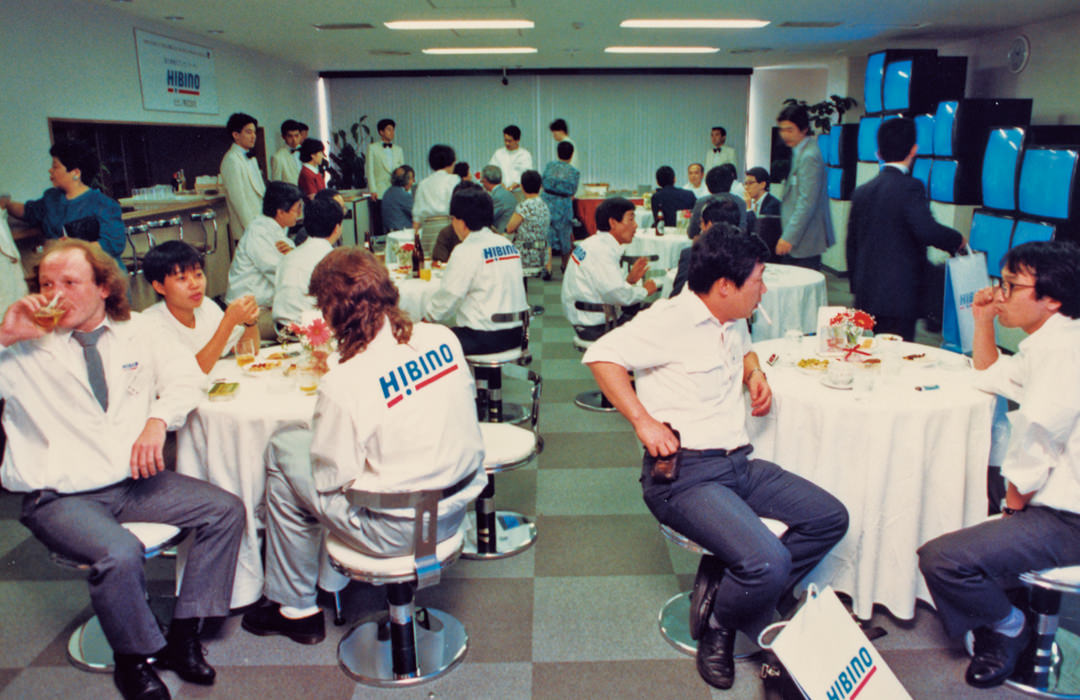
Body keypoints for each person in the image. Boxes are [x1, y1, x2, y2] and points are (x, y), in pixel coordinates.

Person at [583, 227, 848, 691]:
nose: (763, 289)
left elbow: (743, 351)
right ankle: (720, 627)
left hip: (738, 465)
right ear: (725, 285)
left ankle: (737, 588)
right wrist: (643, 421)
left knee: (829, 518)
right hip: (684, 478)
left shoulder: (732, 316)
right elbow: (601, 357)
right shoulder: (668, 320)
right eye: (758, 280)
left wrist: (755, 373)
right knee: (768, 562)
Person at [0, 238, 245, 700]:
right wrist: (4, 336)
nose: (54, 295)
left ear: (104, 287)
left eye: (70, 283)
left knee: (225, 510)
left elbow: (186, 379)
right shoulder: (22, 349)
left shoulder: (139, 333)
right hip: (58, 496)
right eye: (46, 284)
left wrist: (157, 421)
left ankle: (184, 636)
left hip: (129, 483)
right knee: (120, 552)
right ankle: (132, 660)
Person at [241, 247, 486, 645]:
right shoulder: (443, 338)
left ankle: (296, 607)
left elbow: (332, 477)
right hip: (458, 510)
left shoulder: (344, 382)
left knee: (282, 450)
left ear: (331, 315)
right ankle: (312, 588)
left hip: (396, 531)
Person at [918, 240, 1080, 689]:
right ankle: (1009, 595)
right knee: (976, 485)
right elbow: (990, 374)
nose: (999, 294)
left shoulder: (1063, 353)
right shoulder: (1051, 341)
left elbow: (1037, 443)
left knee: (941, 558)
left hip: (1070, 517)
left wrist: (1012, 509)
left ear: (1053, 298)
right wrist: (983, 318)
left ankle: (1010, 626)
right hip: (1061, 497)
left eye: (1010, 287)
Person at [847, 117, 964, 341]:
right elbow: (926, 230)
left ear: (878, 153)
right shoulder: (911, 187)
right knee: (897, 357)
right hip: (898, 296)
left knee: (870, 352)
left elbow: (851, 244)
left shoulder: (862, 191)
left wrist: (857, 287)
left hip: (867, 293)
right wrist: (957, 239)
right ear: (914, 150)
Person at [424, 184, 528, 354]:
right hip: (517, 334)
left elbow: (449, 297)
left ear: (462, 222)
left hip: (483, 338)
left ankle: (469, 379)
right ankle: (480, 380)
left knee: (430, 338)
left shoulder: (465, 250)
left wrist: (426, 319)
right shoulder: (508, 245)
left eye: (453, 219)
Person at [0, 140, 126, 272]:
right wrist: (6, 203)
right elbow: (27, 211)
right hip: (65, 272)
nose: (50, 170)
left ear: (75, 173)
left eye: (55, 166)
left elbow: (112, 244)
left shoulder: (103, 204)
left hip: (100, 273)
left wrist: (71, 247)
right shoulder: (51, 199)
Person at [143, 240, 259, 373]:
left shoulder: (207, 306)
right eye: (182, 278)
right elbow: (190, 374)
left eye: (198, 275)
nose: (194, 284)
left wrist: (250, 321)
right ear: (160, 287)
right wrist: (229, 321)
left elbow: (249, 351)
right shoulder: (151, 323)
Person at [562, 197, 657, 341]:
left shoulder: (594, 243)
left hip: (586, 316)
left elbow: (605, 287)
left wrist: (629, 281)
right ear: (613, 223)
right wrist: (645, 291)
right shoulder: (602, 251)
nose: (636, 225)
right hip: (597, 324)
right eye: (630, 219)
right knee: (658, 319)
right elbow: (616, 294)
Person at [775, 104, 833, 270]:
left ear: (804, 129)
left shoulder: (809, 156)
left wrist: (789, 237)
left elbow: (806, 202)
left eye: (790, 129)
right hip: (798, 239)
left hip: (803, 240)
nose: (784, 134)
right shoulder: (799, 151)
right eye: (782, 129)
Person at [226, 181, 302, 307]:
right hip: (247, 310)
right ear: (281, 212)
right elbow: (280, 272)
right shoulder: (259, 232)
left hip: (263, 303)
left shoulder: (277, 229)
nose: (300, 213)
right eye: (297, 208)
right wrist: (293, 258)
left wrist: (292, 255)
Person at [272, 197, 343, 328]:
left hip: (281, 330)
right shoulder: (334, 261)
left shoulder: (289, 257)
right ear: (337, 228)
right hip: (315, 332)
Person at [672, 196, 743, 297]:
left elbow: (677, 296)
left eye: (701, 222)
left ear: (709, 225)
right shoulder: (746, 256)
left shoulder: (692, 255)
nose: (700, 227)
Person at [219, 112, 266, 245]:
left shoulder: (251, 159)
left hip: (260, 223)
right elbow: (238, 199)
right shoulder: (231, 160)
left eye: (254, 132)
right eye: (248, 132)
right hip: (247, 228)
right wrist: (252, 229)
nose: (253, 136)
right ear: (236, 135)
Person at [540, 140, 581, 277]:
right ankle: (565, 265)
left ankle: (548, 266)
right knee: (564, 235)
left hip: (547, 201)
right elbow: (573, 190)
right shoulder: (574, 172)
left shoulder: (549, 166)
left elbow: (543, 182)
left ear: (557, 153)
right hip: (563, 204)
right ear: (571, 155)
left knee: (547, 235)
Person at [506, 170, 550, 271]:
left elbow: (509, 228)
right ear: (540, 187)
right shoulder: (544, 205)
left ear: (521, 187)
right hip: (542, 254)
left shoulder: (523, 207)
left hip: (525, 255)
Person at [687, 164, 743, 240]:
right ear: (730, 183)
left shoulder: (702, 202)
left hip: (708, 247)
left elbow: (692, 232)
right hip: (735, 247)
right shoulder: (740, 202)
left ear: (708, 184)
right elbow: (743, 230)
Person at [412, 144, 459, 228]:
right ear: (451, 162)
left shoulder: (423, 184)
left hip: (427, 232)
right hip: (449, 230)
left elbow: (417, 217)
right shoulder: (454, 180)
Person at [743, 166, 783, 256]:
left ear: (762, 184)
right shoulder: (754, 202)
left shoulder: (773, 205)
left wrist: (748, 208)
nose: (746, 187)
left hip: (769, 253)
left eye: (750, 183)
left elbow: (758, 231)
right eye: (745, 183)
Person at [365, 118, 404, 198]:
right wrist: (373, 190)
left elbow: (402, 171)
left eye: (393, 130)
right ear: (381, 132)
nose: (392, 132)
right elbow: (369, 171)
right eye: (389, 130)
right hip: (379, 192)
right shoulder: (372, 148)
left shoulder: (398, 150)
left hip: (395, 191)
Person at [488, 124, 533, 191]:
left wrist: (512, 187)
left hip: (518, 191)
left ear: (517, 140)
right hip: (500, 190)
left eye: (509, 141)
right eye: (505, 140)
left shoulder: (524, 155)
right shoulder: (498, 153)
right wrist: (501, 185)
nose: (507, 143)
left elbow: (526, 175)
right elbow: (491, 170)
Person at [481, 164, 517, 232]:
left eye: (481, 181)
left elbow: (486, 219)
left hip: (502, 234)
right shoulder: (507, 193)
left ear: (485, 180)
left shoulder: (496, 197)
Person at [380, 165, 414, 233]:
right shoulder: (403, 195)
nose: (413, 181)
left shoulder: (387, 192)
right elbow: (418, 213)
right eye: (412, 178)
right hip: (403, 234)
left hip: (390, 233)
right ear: (405, 180)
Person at [270, 119, 303, 184]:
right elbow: (276, 184)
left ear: (300, 136)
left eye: (296, 135)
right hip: (291, 193)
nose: (294, 140)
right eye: (290, 136)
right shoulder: (278, 157)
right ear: (283, 137)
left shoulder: (307, 151)